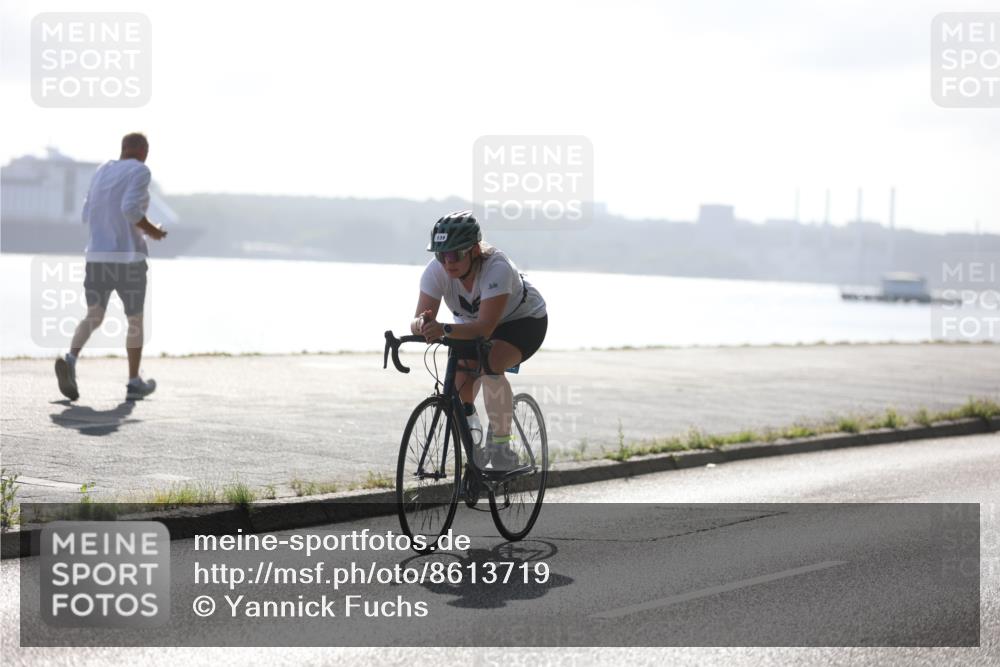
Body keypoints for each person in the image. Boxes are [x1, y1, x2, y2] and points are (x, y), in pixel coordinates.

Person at [411, 210, 548, 476]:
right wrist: (421, 324)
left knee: (491, 363)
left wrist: (443, 329)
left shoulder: (497, 267)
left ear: (474, 250)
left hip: (522, 321)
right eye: (441, 255)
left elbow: (485, 328)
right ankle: (474, 446)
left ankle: (501, 448)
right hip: (472, 325)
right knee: (461, 376)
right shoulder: (435, 272)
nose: (447, 262)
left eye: (454, 254)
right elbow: (417, 319)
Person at [54, 132, 167, 402]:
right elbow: (130, 209)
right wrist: (153, 231)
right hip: (128, 259)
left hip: (96, 256)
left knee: (94, 315)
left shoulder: (102, 170)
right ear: (142, 151)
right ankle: (133, 381)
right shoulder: (140, 170)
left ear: (122, 148)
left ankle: (70, 360)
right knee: (135, 321)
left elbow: (85, 212)